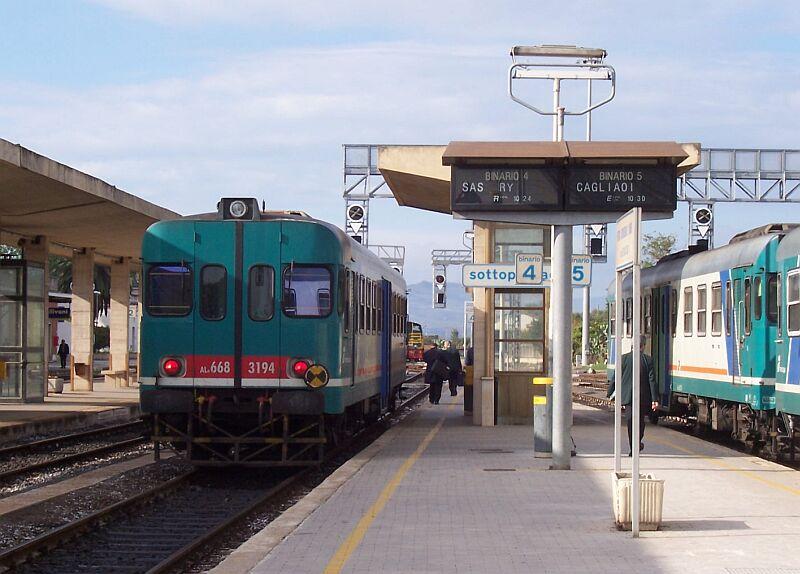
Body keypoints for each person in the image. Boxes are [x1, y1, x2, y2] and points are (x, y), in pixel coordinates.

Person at [607, 337, 658, 456]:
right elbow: (652, 381)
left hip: (628, 398)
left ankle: (633, 447)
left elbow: (615, 379)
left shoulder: (623, 359)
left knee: (630, 422)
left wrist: (609, 393)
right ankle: (637, 443)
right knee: (640, 422)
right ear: (643, 345)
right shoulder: (647, 360)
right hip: (643, 398)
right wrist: (655, 399)